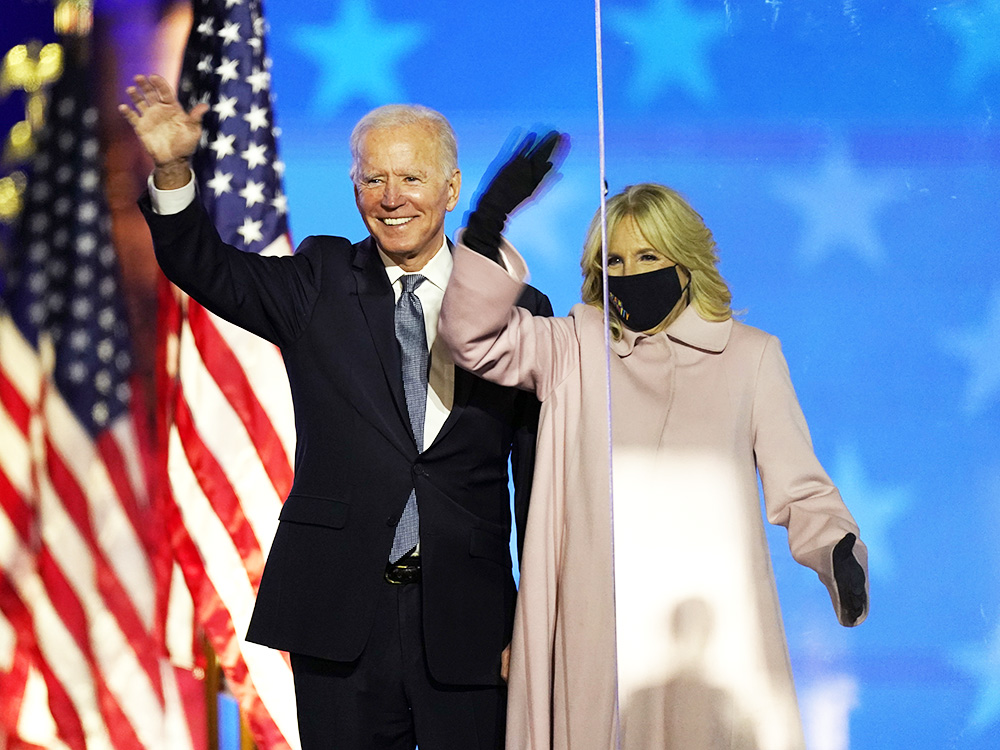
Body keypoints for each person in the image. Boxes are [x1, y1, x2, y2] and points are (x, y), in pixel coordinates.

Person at [119, 74, 553, 750]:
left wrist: (534, 623)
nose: (390, 199)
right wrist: (174, 168)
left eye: (410, 178)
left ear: (451, 187)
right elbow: (202, 264)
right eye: (372, 179)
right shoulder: (317, 279)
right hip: (339, 614)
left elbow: (537, 485)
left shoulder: (521, 314)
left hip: (472, 620)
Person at [439, 149, 870, 750]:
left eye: (648, 255)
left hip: (709, 626)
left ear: (685, 261)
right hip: (598, 620)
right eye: (615, 259)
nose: (631, 270)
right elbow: (472, 339)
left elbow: (800, 486)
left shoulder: (750, 357)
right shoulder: (574, 345)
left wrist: (837, 550)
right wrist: (485, 230)